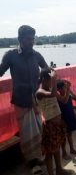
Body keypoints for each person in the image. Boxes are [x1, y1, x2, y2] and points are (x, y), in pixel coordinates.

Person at [0, 25, 48, 174]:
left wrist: (41, 79)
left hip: (35, 100)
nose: (31, 42)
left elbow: (46, 68)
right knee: (27, 133)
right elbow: (0, 72)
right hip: (20, 101)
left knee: (38, 130)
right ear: (20, 39)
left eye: (33, 39)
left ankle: (38, 157)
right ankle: (32, 163)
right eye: (28, 39)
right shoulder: (10, 55)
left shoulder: (37, 55)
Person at [36, 68, 72, 175]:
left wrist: (68, 89)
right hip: (50, 126)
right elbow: (52, 94)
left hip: (57, 125)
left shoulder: (51, 89)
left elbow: (64, 100)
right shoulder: (40, 92)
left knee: (56, 149)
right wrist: (54, 78)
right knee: (49, 153)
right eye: (50, 80)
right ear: (43, 79)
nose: (51, 83)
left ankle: (59, 170)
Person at [56, 79, 76, 160]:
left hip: (70, 117)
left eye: (66, 87)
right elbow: (64, 101)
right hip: (63, 119)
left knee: (69, 134)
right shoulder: (58, 98)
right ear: (59, 90)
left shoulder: (68, 95)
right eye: (64, 87)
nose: (66, 89)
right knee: (63, 137)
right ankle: (64, 153)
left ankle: (71, 149)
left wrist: (70, 91)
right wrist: (68, 91)